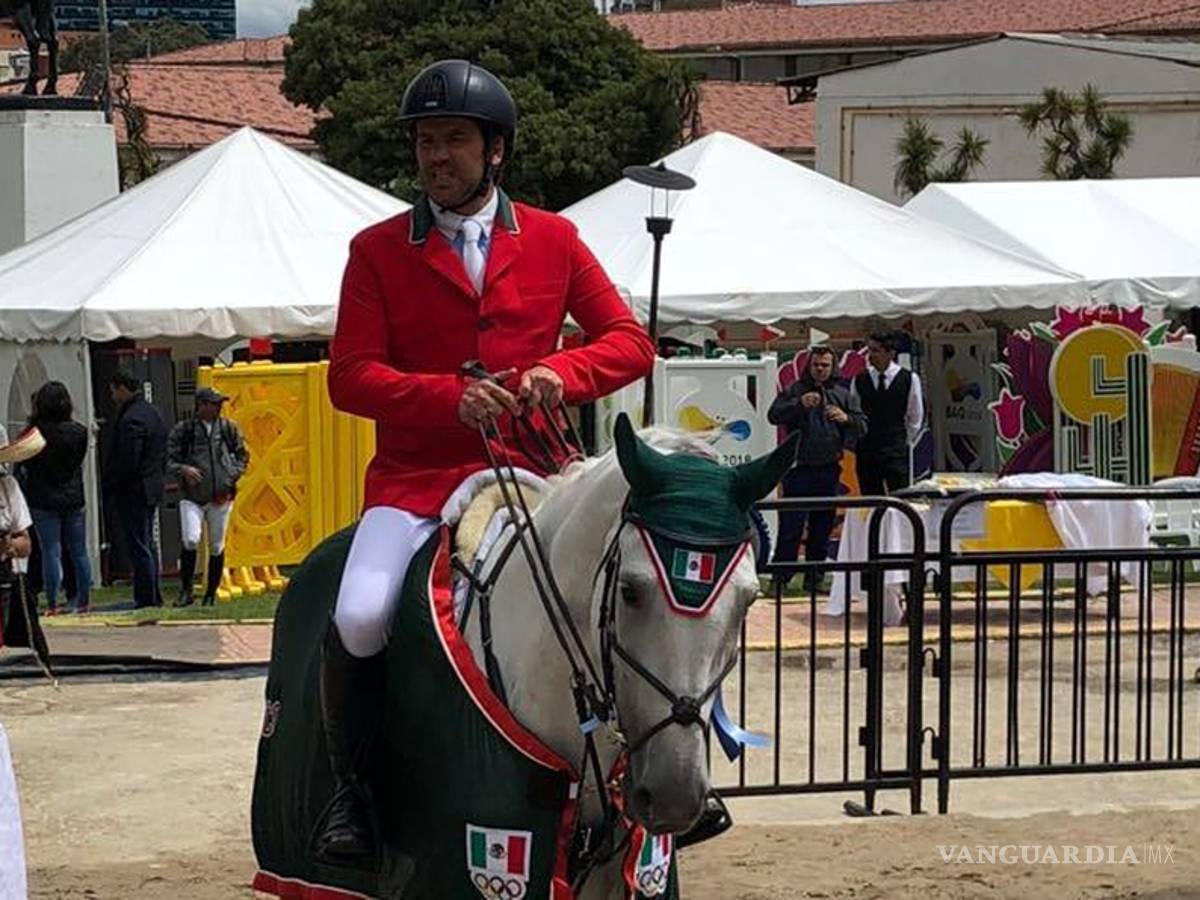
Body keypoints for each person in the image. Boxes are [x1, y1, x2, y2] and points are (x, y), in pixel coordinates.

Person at [320, 59, 655, 865]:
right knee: (360, 614)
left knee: (636, 591)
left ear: (494, 150)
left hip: (538, 470)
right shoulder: (375, 251)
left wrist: (559, 374)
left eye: (455, 141)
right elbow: (350, 375)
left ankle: (658, 774)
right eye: (427, 141)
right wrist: (446, 399)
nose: (438, 156)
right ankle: (354, 795)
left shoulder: (554, 238)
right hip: (415, 480)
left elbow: (631, 341)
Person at [768, 347, 866, 592]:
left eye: (825, 365)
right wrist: (799, 405)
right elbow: (774, 415)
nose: (820, 370)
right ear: (808, 367)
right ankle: (781, 578)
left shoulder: (843, 393)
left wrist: (846, 419)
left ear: (833, 367)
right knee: (791, 524)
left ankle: (816, 577)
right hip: (799, 468)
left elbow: (863, 424)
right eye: (816, 365)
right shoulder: (795, 390)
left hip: (829, 468)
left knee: (823, 525)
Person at [166, 387, 250, 607]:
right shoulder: (184, 430)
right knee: (190, 539)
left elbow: (243, 455)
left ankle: (211, 593)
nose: (218, 408)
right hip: (192, 496)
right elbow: (168, 460)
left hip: (221, 496)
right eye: (213, 403)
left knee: (216, 545)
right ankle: (186, 590)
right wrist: (184, 469)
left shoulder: (228, 428)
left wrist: (231, 475)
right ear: (200, 405)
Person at [19, 382, 92, 615]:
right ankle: (83, 600)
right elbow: (78, 460)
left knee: (51, 550)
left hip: (43, 498)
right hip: (73, 496)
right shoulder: (79, 431)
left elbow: (24, 462)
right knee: (79, 551)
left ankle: (52, 602)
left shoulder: (34, 434)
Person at [103, 369, 168, 609]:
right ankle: (154, 593)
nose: (112, 396)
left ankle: (145, 598)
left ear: (122, 388)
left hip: (134, 490)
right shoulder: (153, 412)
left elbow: (128, 460)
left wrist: (113, 483)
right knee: (148, 542)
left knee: (138, 545)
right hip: (151, 486)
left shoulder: (131, 419)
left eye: (113, 391)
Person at [850, 331, 924, 495]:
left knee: (900, 500)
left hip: (895, 450)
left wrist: (903, 440)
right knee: (870, 501)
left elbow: (915, 416)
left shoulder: (909, 379)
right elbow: (855, 410)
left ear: (890, 353)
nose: (870, 356)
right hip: (867, 451)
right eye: (869, 351)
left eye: (876, 351)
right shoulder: (860, 379)